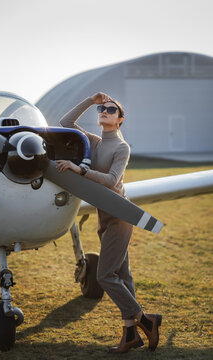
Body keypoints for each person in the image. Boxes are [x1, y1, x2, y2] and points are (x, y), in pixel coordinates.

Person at [57, 92, 162, 354]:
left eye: (111, 109)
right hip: (104, 217)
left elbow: (112, 181)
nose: (104, 111)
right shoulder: (93, 141)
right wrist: (90, 101)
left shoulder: (121, 147)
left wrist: (78, 169)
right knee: (123, 276)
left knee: (105, 276)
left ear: (119, 120)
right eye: (102, 108)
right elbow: (65, 123)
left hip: (119, 216)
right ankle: (130, 335)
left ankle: (147, 320)